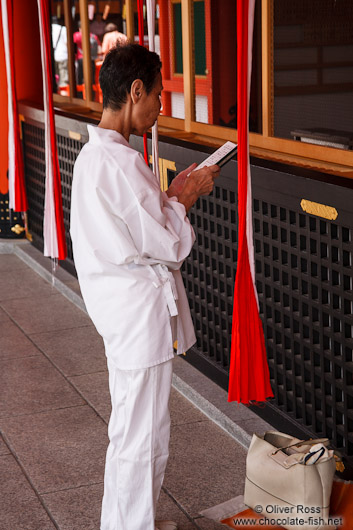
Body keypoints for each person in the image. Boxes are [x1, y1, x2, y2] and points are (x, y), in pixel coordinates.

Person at [70, 43, 219, 530]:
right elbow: (170, 244)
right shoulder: (119, 162)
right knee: (142, 437)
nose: (159, 108)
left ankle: (133, 521)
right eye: (156, 95)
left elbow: (141, 229)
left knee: (133, 430)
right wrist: (186, 197)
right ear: (135, 91)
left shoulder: (95, 158)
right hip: (138, 318)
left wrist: (169, 198)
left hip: (121, 314)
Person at [73, 20, 101, 85]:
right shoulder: (93, 36)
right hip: (91, 59)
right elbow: (99, 48)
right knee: (91, 78)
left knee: (80, 78)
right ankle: (92, 93)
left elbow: (72, 47)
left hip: (80, 59)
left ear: (79, 27)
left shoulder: (76, 36)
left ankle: (80, 94)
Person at [51, 16, 68, 88]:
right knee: (63, 79)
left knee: (54, 77)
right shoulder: (63, 29)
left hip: (53, 55)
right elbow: (67, 43)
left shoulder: (49, 28)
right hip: (63, 55)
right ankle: (64, 96)